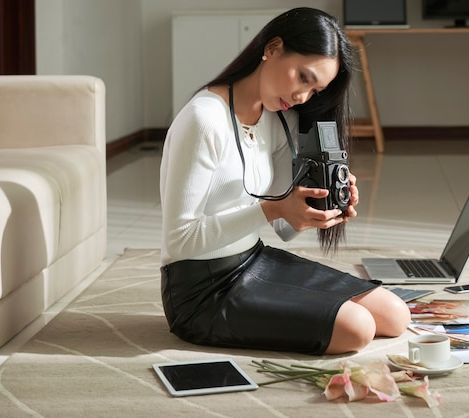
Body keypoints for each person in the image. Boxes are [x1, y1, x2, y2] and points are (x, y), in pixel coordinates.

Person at [159, 7, 410, 355]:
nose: (303, 98)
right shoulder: (204, 119)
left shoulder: (277, 118)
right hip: (200, 291)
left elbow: (284, 230)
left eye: (315, 90)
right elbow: (180, 242)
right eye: (303, 78)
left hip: (254, 260)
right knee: (358, 328)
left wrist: (314, 206)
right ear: (273, 48)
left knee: (394, 314)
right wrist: (273, 209)